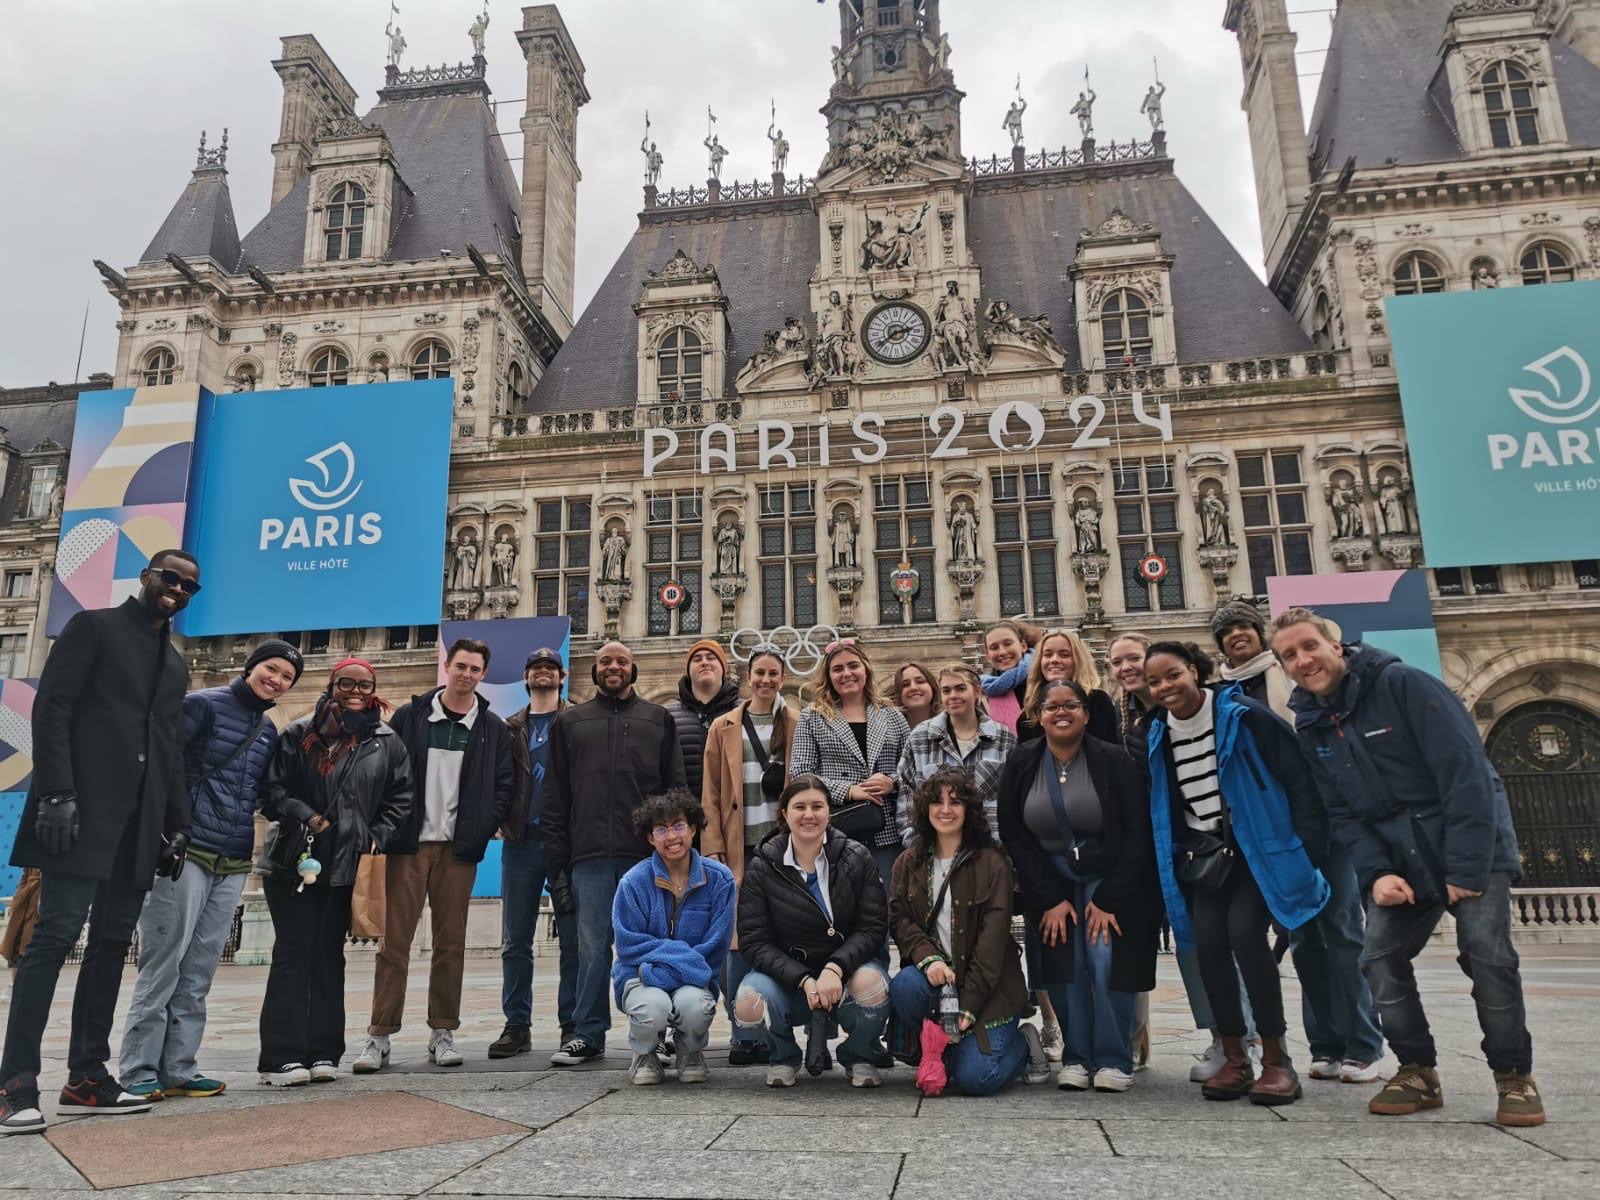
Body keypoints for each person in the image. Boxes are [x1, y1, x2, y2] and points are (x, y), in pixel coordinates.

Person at [1271, 608, 1544, 1127]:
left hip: (1468, 846)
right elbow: (1342, 813)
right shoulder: (1309, 723)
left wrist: (1464, 868)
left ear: (1336, 644)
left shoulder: (1403, 684)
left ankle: (1515, 1077)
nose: (1302, 660)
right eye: (1289, 655)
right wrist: (1375, 874)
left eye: (1309, 646)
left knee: (1487, 958)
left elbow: (1467, 775)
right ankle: (1417, 1070)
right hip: (1397, 858)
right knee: (1378, 958)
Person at [0, 551, 200, 1134]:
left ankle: (87, 1076)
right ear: (146, 577)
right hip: (79, 813)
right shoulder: (93, 627)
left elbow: (170, 751)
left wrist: (177, 823)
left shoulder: (175, 664)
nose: (177, 590)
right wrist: (56, 795)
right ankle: (14, 1083)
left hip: (139, 826)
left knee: (113, 947)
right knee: (53, 939)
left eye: (189, 586)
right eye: (170, 578)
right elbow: (53, 710)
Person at [1144, 642, 1329, 1106]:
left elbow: (1297, 777)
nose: (1164, 687)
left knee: (1245, 936)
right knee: (1207, 945)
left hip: (1254, 848)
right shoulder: (1156, 732)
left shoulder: (1244, 714)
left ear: (1194, 670)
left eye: (1172, 675)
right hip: (1205, 856)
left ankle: (1275, 1058)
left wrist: (1307, 849)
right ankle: (1234, 1055)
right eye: (1154, 681)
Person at [118, 639, 303, 1101]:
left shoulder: (267, 731)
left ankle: (179, 1066)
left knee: (199, 969)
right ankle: (139, 1067)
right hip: (187, 849)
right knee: (163, 963)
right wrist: (169, 830)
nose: (276, 680)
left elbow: (263, 794)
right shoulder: (201, 704)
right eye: (272, 669)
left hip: (233, 856)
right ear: (252, 666)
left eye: (287, 677)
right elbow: (164, 768)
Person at [355, 639, 513, 1073]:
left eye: (475, 669)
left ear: (483, 674)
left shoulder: (493, 728)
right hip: (410, 844)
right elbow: (385, 772)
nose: (466, 674)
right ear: (447, 666)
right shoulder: (410, 717)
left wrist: (481, 828)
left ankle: (442, 1030)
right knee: (395, 944)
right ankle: (379, 1034)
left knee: (450, 945)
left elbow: (503, 787)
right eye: (460, 666)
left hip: (458, 849)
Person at [256, 658, 412, 1088]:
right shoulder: (300, 732)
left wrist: (377, 834)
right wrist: (305, 814)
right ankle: (281, 1056)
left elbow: (401, 796)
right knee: (293, 953)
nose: (356, 690)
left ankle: (324, 1051)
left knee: (328, 956)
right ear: (332, 684)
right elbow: (271, 791)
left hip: (349, 863)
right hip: (295, 859)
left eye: (365, 684)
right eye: (347, 682)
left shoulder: (386, 740)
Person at [997, 679, 1159, 1092]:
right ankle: (1076, 1055)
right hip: (1051, 879)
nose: (1061, 712)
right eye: (1052, 707)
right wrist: (1047, 896)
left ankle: (1113, 1057)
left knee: (1104, 957)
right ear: (1039, 716)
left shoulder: (1113, 760)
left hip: (1109, 879)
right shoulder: (1023, 761)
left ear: (1087, 713)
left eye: (1071, 705)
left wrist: (1108, 899)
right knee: (1064, 964)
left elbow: (1137, 832)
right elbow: (1014, 831)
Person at [543, 641, 685, 1066]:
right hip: (589, 854)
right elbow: (554, 798)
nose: (613, 667)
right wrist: (558, 865)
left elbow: (675, 790)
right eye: (605, 661)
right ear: (594, 669)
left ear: (633, 668)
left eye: (621, 661)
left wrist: (674, 850)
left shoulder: (658, 719)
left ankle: (657, 1031)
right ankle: (587, 1033)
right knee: (591, 948)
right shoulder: (570, 723)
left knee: (655, 946)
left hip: (647, 856)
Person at [889, 768, 1050, 1096]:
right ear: (924, 808)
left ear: (969, 810)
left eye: (955, 802)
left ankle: (1024, 1042)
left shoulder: (992, 863)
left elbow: (991, 947)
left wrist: (969, 1008)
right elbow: (900, 920)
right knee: (905, 985)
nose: (945, 809)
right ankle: (944, 1049)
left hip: (990, 993)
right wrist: (928, 958)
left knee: (977, 1079)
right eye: (936, 802)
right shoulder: (908, 861)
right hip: (937, 985)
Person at [733, 776, 891, 1088]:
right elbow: (754, 941)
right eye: (799, 807)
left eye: (817, 806)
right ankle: (783, 1055)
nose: (809, 815)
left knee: (874, 985)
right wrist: (803, 979)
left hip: (846, 971)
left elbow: (873, 928)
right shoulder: (763, 865)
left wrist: (836, 967)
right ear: (784, 814)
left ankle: (858, 1054)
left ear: (829, 812)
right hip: (789, 977)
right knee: (749, 1000)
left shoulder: (857, 857)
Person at [702, 644, 797, 1065]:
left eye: (773, 673)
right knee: (738, 940)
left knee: (782, 935)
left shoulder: (798, 721)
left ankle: (780, 1030)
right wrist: (714, 845)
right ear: (747, 677)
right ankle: (744, 1032)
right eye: (759, 672)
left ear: (782, 677)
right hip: (739, 845)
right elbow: (710, 792)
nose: (766, 680)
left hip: (783, 846)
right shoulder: (723, 726)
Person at [612, 790, 736, 1085]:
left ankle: (689, 1050)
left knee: (694, 1007)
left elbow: (716, 945)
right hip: (640, 976)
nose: (672, 836)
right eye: (661, 829)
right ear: (650, 838)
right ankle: (644, 1052)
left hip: (692, 976)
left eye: (679, 825)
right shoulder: (632, 882)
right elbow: (629, 944)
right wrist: (678, 963)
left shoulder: (720, 879)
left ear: (693, 829)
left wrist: (666, 967)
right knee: (653, 1008)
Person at [491, 647, 579, 1059]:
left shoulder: (578, 721)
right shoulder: (509, 728)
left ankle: (572, 1024)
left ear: (561, 676)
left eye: (550, 668)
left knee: (574, 940)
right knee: (515, 941)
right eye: (536, 669)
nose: (543, 674)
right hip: (521, 842)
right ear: (526, 677)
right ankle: (516, 1024)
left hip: (566, 844)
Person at [788, 639, 910, 904]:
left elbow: (913, 769)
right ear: (829, 677)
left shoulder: (892, 715)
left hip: (887, 830)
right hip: (840, 828)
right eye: (838, 669)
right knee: (845, 910)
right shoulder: (813, 716)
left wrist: (892, 782)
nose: (846, 674)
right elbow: (800, 773)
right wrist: (849, 790)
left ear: (865, 669)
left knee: (887, 909)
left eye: (853, 666)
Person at [896, 664, 1016, 839]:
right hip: (935, 848)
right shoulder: (920, 737)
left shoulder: (1003, 738)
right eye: (946, 690)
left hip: (990, 848)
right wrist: (915, 842)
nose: (953, 696)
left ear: (977, 691)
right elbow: (907, 793)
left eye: (960, 689)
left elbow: (1014, 799)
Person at [664, 639, 741, 802]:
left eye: (711, 658)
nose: (704, 662)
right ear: (688, 670)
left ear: (723, 668)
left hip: (732, 814)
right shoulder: (667, 716)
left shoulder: (742, 712)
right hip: (686, 818)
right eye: (697, 659)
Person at [1016, 629, 1118, 744]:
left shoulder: (1098, 701)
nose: (1054, 660)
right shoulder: (1029, 712)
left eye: (1064, 655)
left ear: (1078, 661)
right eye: (1048, 654)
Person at [1211, 601, 1293, 721]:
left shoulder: (1290, 671)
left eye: (1244, 626)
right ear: (1222, 646)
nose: (1236, 633)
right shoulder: (1218, 690)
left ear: (1259, 635)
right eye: (1227, 631)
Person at [979, 620, 1038, 735]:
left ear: (1023, 646)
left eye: (1008, 644)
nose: (1002, 652)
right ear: (988, 656)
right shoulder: (983, 690)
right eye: (994, 647)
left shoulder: (1042, 679)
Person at [892, 662, 941, 731]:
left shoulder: (951, 723)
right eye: (905, 684)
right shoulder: (890, 730)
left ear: (932, 687)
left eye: (920, 681)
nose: (913, 688)